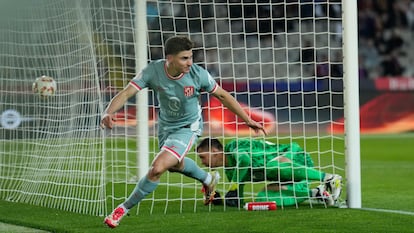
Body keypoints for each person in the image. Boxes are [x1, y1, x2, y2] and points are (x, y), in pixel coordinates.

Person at [101, 36, 266, 228]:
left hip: (188, 127)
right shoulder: (153, 70)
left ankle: (123, 208)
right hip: (165, 126)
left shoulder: (198, 74)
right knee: (174, 164)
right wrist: (108, 112)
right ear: (169, 58)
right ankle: (208, 178)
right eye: (184, 58)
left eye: (191, 57)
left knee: (158, 167)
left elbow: (222, 95)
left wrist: (247, 120)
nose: (190, 62)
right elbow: (127, 92)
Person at [196, 138, 342, 208]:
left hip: (294, 156)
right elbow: (237, 201)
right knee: (262, 198)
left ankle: (328, 178)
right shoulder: (231, 171)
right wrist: (220, 200)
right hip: (284, 176)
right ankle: (316, 193)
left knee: (271, 167)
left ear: (215, 151)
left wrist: (233, 188)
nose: (202, 162)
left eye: (202, 157)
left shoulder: (233, 147)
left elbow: (245, 160)